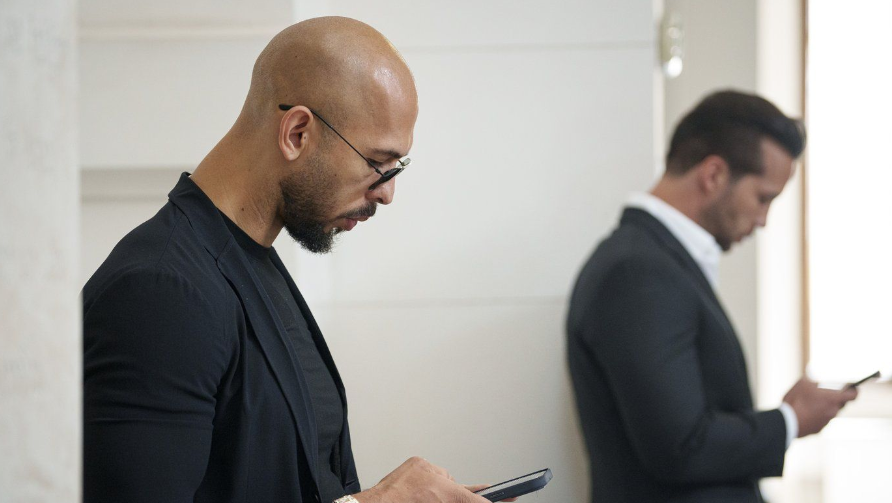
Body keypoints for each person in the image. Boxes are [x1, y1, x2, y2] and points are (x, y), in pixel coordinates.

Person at [82, 17, 491, 503]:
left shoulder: (247, 263)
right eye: (378, 164)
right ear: (297, 132)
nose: (387, 194)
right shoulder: (160, 292)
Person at [566, 90, 858, 503]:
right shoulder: (638, 272)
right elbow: (681, 448)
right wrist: (790, 420)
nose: (763, 220)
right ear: (714, 175)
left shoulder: (656, 262)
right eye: (763, 198)